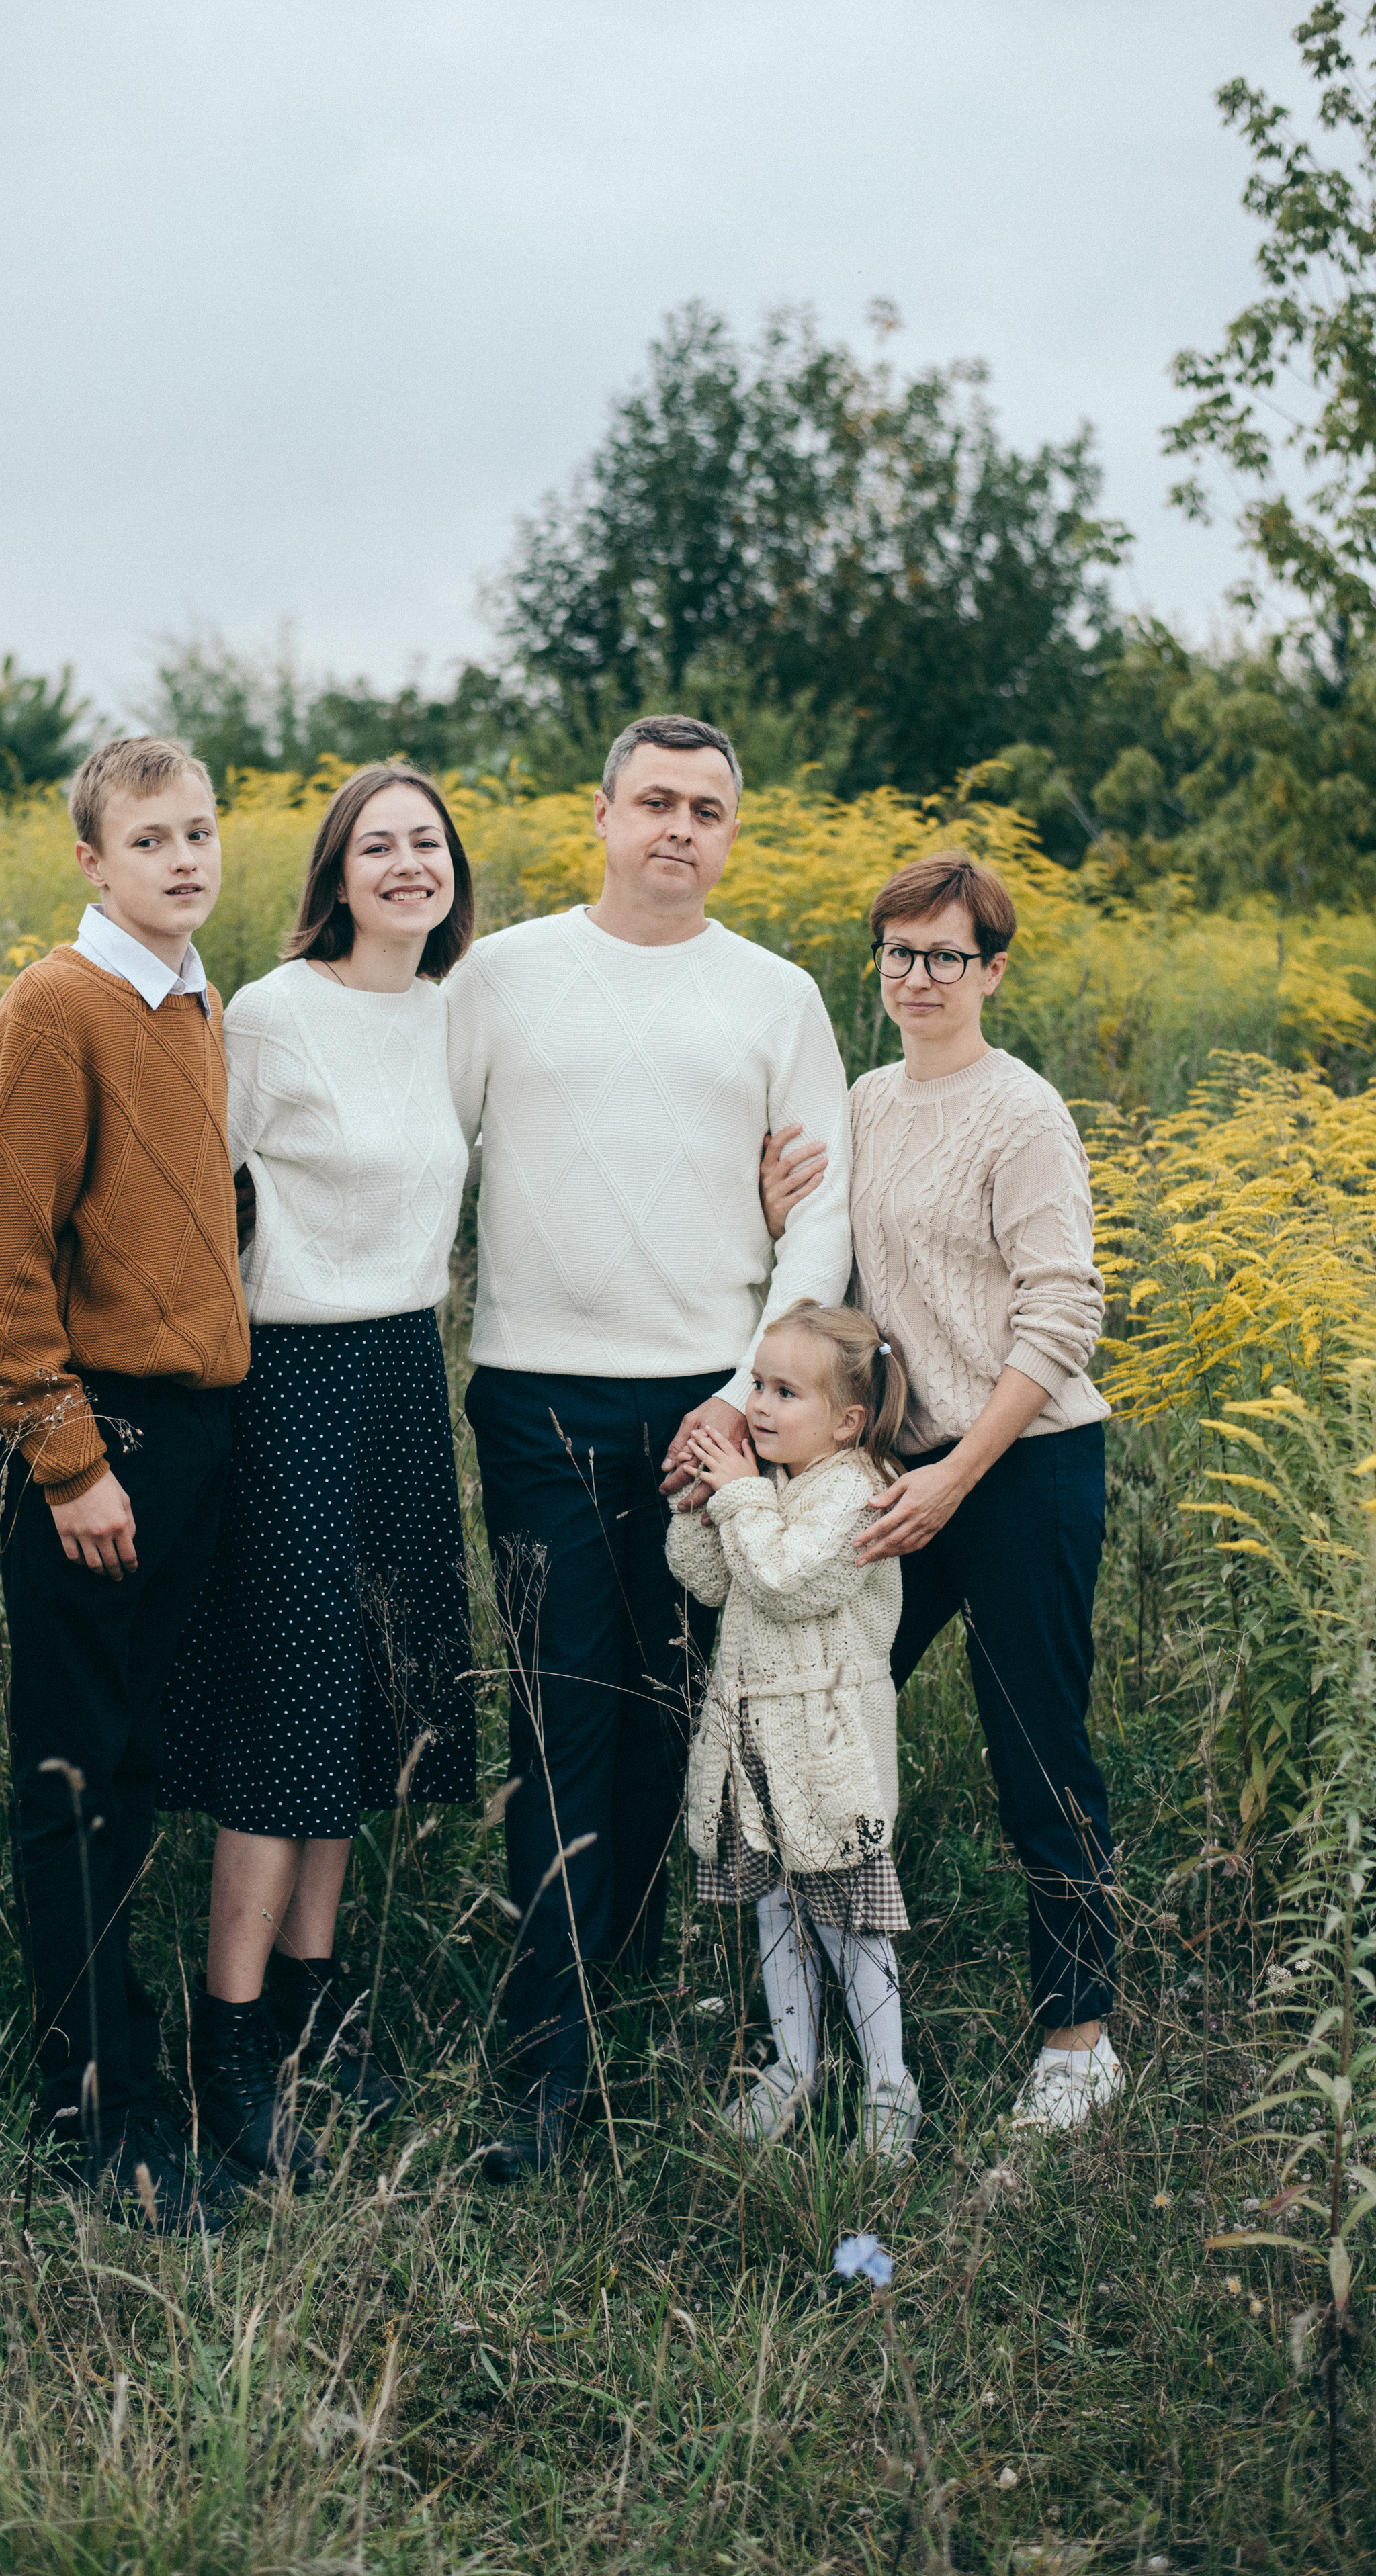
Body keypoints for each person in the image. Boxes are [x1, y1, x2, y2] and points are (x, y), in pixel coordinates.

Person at [445, 712, 854, 2182]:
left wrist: (746, 1394)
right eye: (655, 803)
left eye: (707, 810)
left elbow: (820, 1212)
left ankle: (637, 2003)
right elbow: (428, 1142)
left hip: (708, 1408)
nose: (679, 829)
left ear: (729, 836)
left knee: (679, 1716)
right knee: (563, 1721)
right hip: (538, 1396)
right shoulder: (500, 979)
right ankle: (544, 2074)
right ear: (601, 816)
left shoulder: (775, 995)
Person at [762, 849, 1119, 2133]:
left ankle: (1079, 2033)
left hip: (1018, 1471)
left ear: (992, 971)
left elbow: (1063, 1309)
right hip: (896, 1476)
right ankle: (793, 2014)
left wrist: (959, 1474)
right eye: (900, 954)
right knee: (821, 1726)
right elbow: (838, 1274)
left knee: (1039, 1749)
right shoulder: (863, 1101)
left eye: (946, 957)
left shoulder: (1021, 1114)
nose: (919, 977)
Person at [161, 763, 478, 2184]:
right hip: (287, 1382)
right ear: (335, 876)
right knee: (282, 1715)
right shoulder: (274, 1014)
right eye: (378, 846)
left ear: (451, 871)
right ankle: (223, 2050)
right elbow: (184, 1207)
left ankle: (313, 2014)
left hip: (407, 1375)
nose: (406, 865)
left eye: (426, 844)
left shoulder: (455, 1016)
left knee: (365, 1704)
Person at [0, 735, 251, 2234]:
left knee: (139, 1774)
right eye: (150, 841)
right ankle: (94, 2121)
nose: (183, 859)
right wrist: (64, 1457)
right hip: (99, 1444)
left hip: (193, 1436)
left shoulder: (194, 1000)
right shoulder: (58, 1006)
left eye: (199, 832)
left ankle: (137, 2077)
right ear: (91, 860)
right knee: (77, 1782)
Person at [669, 1301, 920, 2160]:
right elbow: (708, 1579)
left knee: (852, 1923)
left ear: (847, 1420)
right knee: (774, 1909)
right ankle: (791, 2066)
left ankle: (891, 2087)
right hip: (755, 1751)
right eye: (758, 1386)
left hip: (826, 1757)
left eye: (784, 1392)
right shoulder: (773, 1485)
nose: (762, 1406)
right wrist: (704, 1504)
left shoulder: (855, 1490)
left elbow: (786, 1580)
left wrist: (740, 1496)